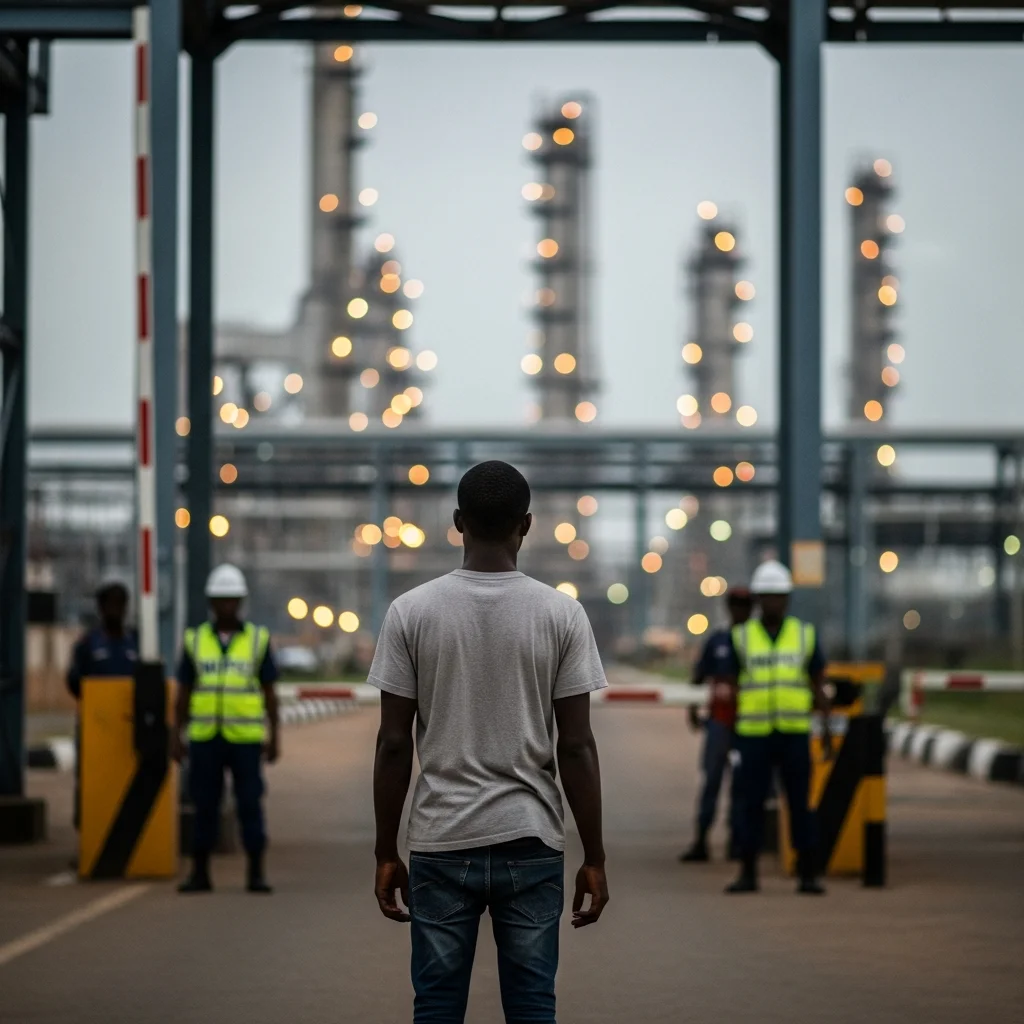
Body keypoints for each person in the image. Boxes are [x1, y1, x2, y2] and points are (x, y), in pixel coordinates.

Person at [370, 460, 610, 1024]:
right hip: (530, 843)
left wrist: (386, 850)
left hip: (441, 840)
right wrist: (594, 856)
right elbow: (576, 746)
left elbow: (393, 744)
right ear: (526, 525)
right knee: (531, 1007)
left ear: (458, 522)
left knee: (436, 1007)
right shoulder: (562, 615)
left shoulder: (411, 612)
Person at [172, 563, 280, 895]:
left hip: (245, 740)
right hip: (205, 739)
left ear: (241, 601)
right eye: (221, 599)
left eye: (232, 599)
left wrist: (274, 735)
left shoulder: (258, 641)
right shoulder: (194, 640)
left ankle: (256, 873)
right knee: (204, 805)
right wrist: (176, 734)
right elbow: (184, 693)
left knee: (250, 804)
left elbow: (269, 692)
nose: (226, 605)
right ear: (211, 602)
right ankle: (200, 873)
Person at [725, 560, 831, 895]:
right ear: (758, 599)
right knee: (750, 803)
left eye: (779, 596)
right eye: (767, 596)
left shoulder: (804, 634)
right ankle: (748, 872)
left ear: (787, 598)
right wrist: (729, 733)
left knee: (800, 804)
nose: (773, 602)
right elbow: (731, 688)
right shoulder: (741, 637)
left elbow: (818, 685)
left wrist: (825, 727)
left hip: (794, 733)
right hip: (753, 735)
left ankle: (807, 873)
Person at [679, 586, 752, 863]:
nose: (740, 610)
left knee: (742, 786)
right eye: (735, 604)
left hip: (747, 724)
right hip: (719, 723)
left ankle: (737, 841)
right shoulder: (718, 641)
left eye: (745, 605)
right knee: (711, 781)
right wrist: (692, 708)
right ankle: (701, 840)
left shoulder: (755, 642)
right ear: (728, 607)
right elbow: (699, 676)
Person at [66, 577, 139, 830]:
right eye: (110, 605)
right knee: (90, 781)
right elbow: (74, 681)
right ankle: (87, 834)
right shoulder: (88, 644)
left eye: (120, 605)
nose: (115, 611)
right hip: (94, 727)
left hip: (127, 727)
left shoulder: (136, 642)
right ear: (101, 608)